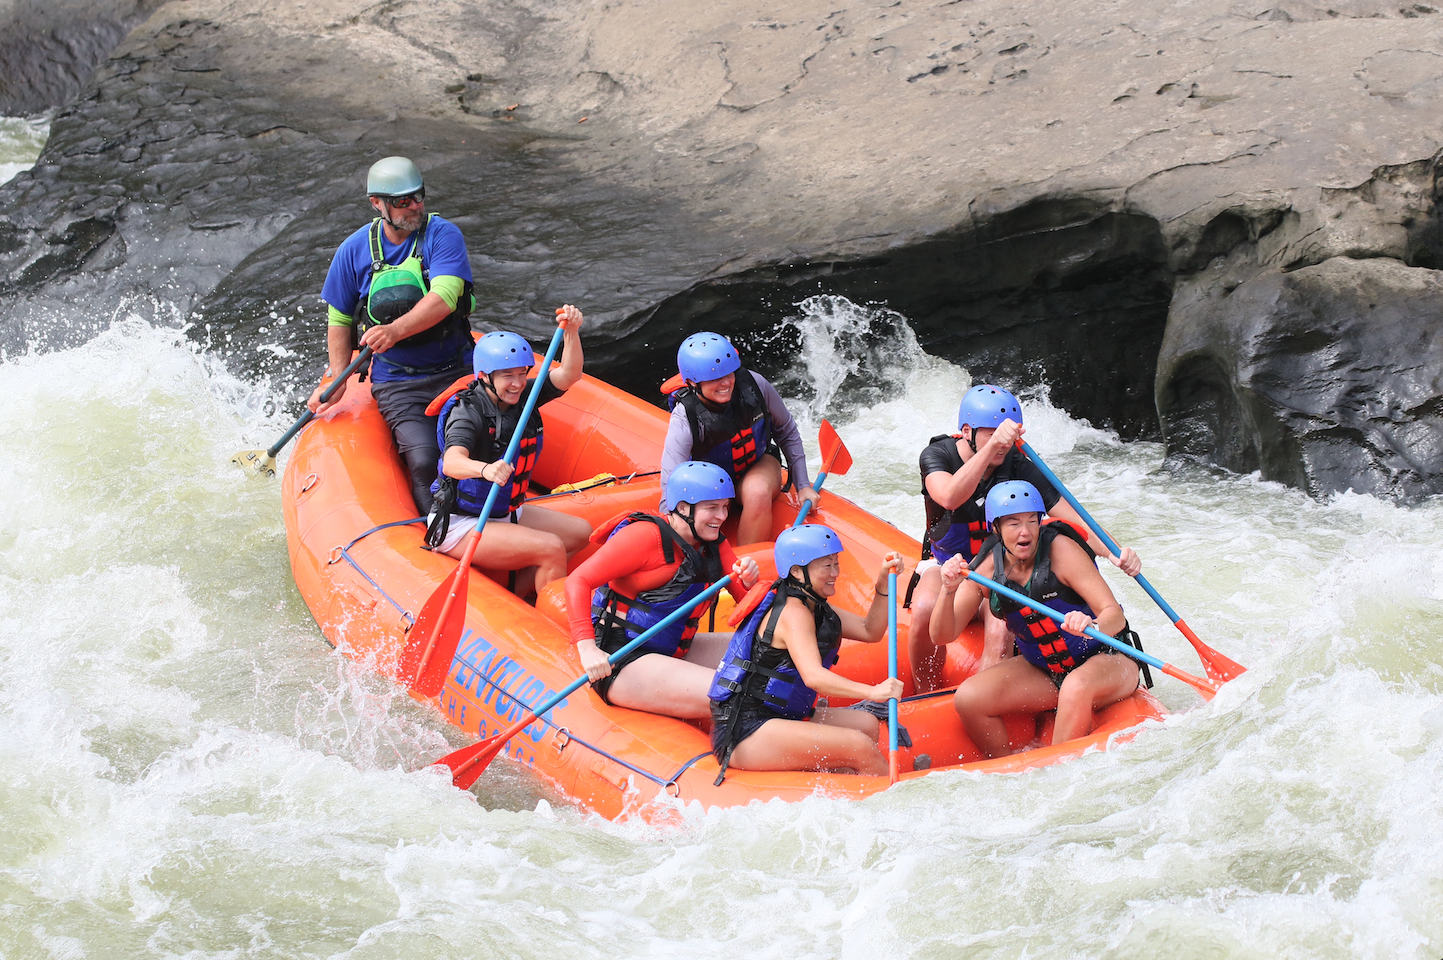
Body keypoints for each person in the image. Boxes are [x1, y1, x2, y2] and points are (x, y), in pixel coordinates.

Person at [907, 384, 1142, 693]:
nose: (1002, 445)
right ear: (966, 432)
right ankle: (926, 691)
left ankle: (989, 698)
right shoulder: (937, 455)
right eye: (991, 435)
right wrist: (991, 449)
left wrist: (1114, 552)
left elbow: (1074, 517)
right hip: (947, 566)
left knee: (1000, 630)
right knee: (925, 607)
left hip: (998, 570)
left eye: (1005, 437)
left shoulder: (1016, 464)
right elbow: (949, 496)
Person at [309, 156, 476, 514]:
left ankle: (488, 518)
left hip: (456, 369)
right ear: (377, 203)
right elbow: (339, 318)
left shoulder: (443, 235)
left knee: (473, 444)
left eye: (419, 196)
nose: (414, 206)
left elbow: (445, 296)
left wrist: (394, 330)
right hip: (398, 382)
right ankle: (438, 530)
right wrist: (338, 378)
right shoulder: (352, 250)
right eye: (402, 200)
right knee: (425, 459)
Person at [931, 481, 1145, 759]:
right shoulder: (985, 569)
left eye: (1032, 521)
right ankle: (1007, 767)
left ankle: (1055, 771)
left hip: (1108, 659)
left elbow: (1114, 615)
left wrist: (1092, 626)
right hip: (1045, 672)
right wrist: (948, 590)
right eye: (1013, 524)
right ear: (996, 529)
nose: (1026, 531)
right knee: (969, 698)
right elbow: (941, 635)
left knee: (1075, 686)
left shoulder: (1062, 551)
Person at [564, 461, 762, 718]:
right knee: (742, 697)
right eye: (712, 508)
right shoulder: (645, 537)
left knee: (771, 660)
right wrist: (587, 649)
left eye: (725, 507)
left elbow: (748, 605)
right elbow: (577, 581)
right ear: (683, 508)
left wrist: (749, 583)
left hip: (675, 650)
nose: (723, 516)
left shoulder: (713, 542)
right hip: (622, 657)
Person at [708, 524, 905, 781]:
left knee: (866, 725)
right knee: (859, 745)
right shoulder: (793, 612)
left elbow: (870, 630)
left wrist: (883, 583)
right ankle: (888, 795)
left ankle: (852, 786)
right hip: (746, 728)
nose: (835, 572)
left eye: (836, 563)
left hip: (782, 715)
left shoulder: (813, 606)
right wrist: (872, 692)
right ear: (797, 572)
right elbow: (814, 677)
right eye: (827, 566)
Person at [423, 310, 591, 599]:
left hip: (505, 510)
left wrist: (571, 332)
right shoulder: (467, 413)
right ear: (485, 376)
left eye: (522, 374)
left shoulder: (524, 396)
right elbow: (452, 462)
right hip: (461, 522)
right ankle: (550, 618)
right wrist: (484, 469)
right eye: (508, 376)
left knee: (581, 533)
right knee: (551, 547)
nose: (517, 383)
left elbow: (570, 374)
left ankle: (521, 598)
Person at [661, 332, 818, 546]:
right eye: (714, 378)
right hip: (707, 484)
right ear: (692, 382)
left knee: (757, 492)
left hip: (757, 466)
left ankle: (747, 560)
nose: (725, 383)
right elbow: (671, 480)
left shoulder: (756, 385)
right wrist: (671, 527)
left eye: (729, 373)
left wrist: (803, 485)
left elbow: (787, 432)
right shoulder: (685, 417)